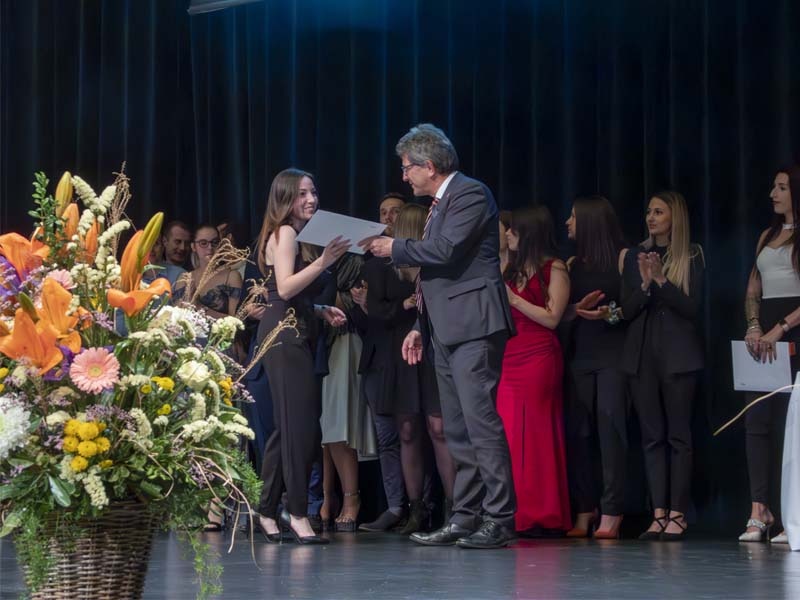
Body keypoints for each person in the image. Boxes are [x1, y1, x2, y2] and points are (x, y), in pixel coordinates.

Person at [361, 123, 517, 549]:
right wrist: (420, 326)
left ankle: (500, 517)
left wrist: (393, 247)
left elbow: (446, 250)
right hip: (445, 328)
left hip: (474, 326)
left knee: (480, 423)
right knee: (458, 428)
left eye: (407, 168)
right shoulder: (439, 204)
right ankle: (465, 515)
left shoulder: (469, 193)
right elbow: (438, 275)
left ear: (428, 166)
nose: (404, 176)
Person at [252, 168, 350, 545]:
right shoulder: (286, 233)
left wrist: (321, 309)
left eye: (313, 192)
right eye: (302, 194)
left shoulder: (291, 235)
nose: (311, 199)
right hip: (284, 335)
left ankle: (266, 510)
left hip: (292, 329)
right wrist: (324, 261)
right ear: (285, 198)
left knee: (289, 427)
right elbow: (284, 288)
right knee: (301, 429)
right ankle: (296, 512)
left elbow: (290, 295)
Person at [620, 191, 704, 541]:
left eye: (659, 212)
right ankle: (658, 513)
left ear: (674, 218)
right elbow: (626, 310)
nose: (651, 218)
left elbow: (691, 308)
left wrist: (661, 281)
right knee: (651, 437)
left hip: (677, 357)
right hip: (641, 357)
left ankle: (678, 513)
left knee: (678, 436)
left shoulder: (691, 254)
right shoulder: (635, 256)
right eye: (649, 211)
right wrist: (643, 284)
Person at [497, 206, 572, 535]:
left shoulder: (554, 268)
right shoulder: (508, 269)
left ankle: (541, 513)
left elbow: (552, 318)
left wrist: (514, 300)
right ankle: (512, 511)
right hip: (508, 355)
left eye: (513, 230)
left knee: (537, 433)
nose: (507, 234)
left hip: (539, 355)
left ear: (528, 233)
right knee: (510, 434)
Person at [562, 196, 629, 539]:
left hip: (613, 355)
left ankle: (613, 509)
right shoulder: (572, 264)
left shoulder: (622, 258)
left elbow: (634, 308)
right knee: (579, 433)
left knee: (609, 429)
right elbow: (561, 313)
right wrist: (576, 309)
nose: (567, 222)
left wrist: (608, 314)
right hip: (580, 355)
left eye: (573, 217)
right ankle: (585, 508)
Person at [740, 166, 800, 544]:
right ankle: (759, 509)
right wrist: (753, 325)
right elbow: (753, 288)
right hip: (764, 337)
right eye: (773, 187)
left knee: (792, 425)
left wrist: (781, 327)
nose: (773, 194)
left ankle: (792, 516)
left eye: (781, 188)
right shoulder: (767, 235)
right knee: (757, 420)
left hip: (792, 329)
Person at [172, 224, 243, 320]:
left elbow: (236, 321)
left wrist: (198, 306)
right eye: (203, 243)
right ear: (193, 247)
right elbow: (176, 317)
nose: (210, 247)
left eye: (214, 242)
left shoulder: (232, 276)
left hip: (221, 329)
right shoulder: (185, 278)